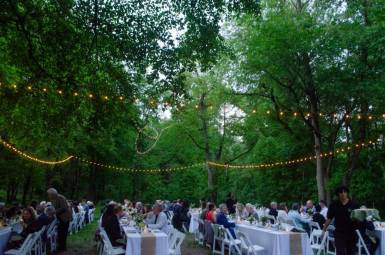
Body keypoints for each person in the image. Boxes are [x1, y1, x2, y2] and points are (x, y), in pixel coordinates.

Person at [322, 185, 359, 255]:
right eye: (341, 192)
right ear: (338, 194)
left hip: (351, 233)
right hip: (339, 234)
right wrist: (323, 230)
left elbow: (359, 218)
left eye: (345, 192)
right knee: (340, 253)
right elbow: (329, 218)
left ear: (347, 193)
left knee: (351, 253)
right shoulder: (334, 205)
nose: (343, 194)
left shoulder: (354, 204)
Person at [47, 188, 72, 252]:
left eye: (49, 194)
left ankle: (62, 248)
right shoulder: (54, 199)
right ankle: (61, 246)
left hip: (65, 218)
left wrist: (54, 212)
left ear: (53, 194)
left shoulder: (60, 198)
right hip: (61, 218)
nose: (48, 196)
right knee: (60, 233)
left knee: (63, 233)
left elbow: (64, 208)